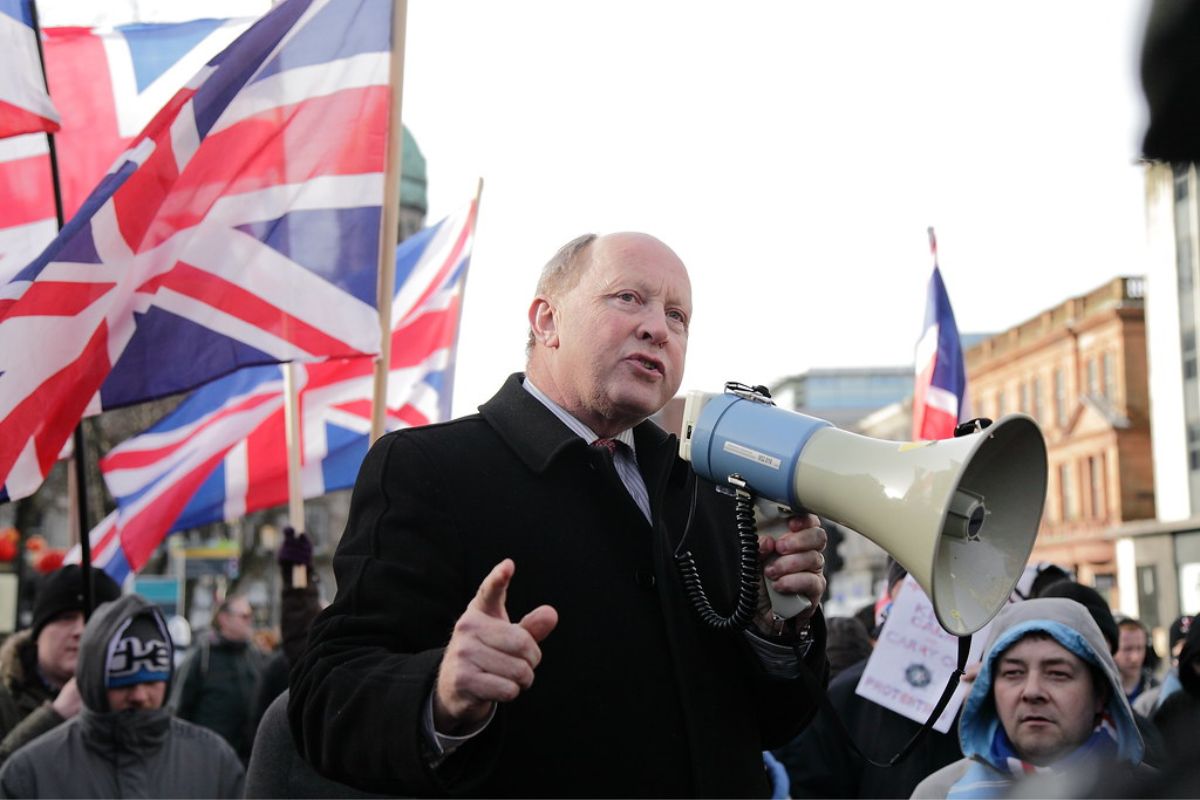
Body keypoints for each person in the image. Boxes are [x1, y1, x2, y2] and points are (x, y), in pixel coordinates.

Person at [289, 232, 830, 797]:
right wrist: (443, 691)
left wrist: (775, 628)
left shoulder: (711, 490)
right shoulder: (428, 468)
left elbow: (773, 724)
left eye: (678, 316)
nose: (658, 328)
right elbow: (324, 700)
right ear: (546, 320)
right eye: (627, 298)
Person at [0, 594, 243, 797]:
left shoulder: (214, 762)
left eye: (151, 682)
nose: (139, 695)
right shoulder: (30, 773)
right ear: (95, 682)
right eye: (123, 683)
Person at [910, 598, 1149, 799]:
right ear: (989, 689)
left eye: (1057, 674)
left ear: (1100, 694)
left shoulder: (1156, 790)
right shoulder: (939, 794)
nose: (1032, 691)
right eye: (1013, 673)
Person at [780, 561, 961, 799]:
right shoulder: (847, 694)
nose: (929, 606)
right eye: (917, 591)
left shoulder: (992, 693)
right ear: (894, 595)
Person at [0, 564, 121, 764]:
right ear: (37, 633)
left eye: (94, 619)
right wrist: (54, 717)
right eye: (66, 618)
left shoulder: (132, 696)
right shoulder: (6, 698)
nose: (80, 631)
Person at [170, 592, 266, 762]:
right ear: (224, 619)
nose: (249, 621)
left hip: (248, 759)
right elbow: (180, 710)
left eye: (250, 616)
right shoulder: (202, 658)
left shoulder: (255, 656)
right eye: (244, 616)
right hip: (208, 759)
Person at [1114, 616, 1158, 704]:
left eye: (1140, 648)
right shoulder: (1102, 694)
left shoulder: (1157, 692)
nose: (1135, 658)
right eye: (1127, 649)